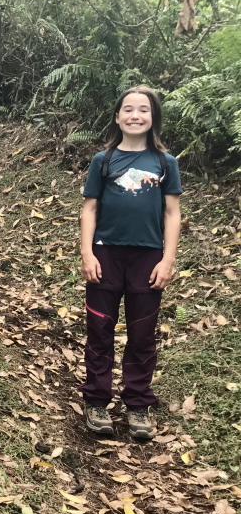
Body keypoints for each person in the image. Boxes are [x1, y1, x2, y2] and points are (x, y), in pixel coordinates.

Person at [79, 85, 182, 441]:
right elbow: (89, 209)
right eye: (128, 109)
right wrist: (87, 252)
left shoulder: (165, 163)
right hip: (105, 255)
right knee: (100, 330)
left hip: (148, 258)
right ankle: (96, 401)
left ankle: (138, 405)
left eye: (143, 110)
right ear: (117, 116)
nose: (135, 115)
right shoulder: (102, 161)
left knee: (142, 334)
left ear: (153, 118)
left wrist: (167, 259)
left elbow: (172, 213)